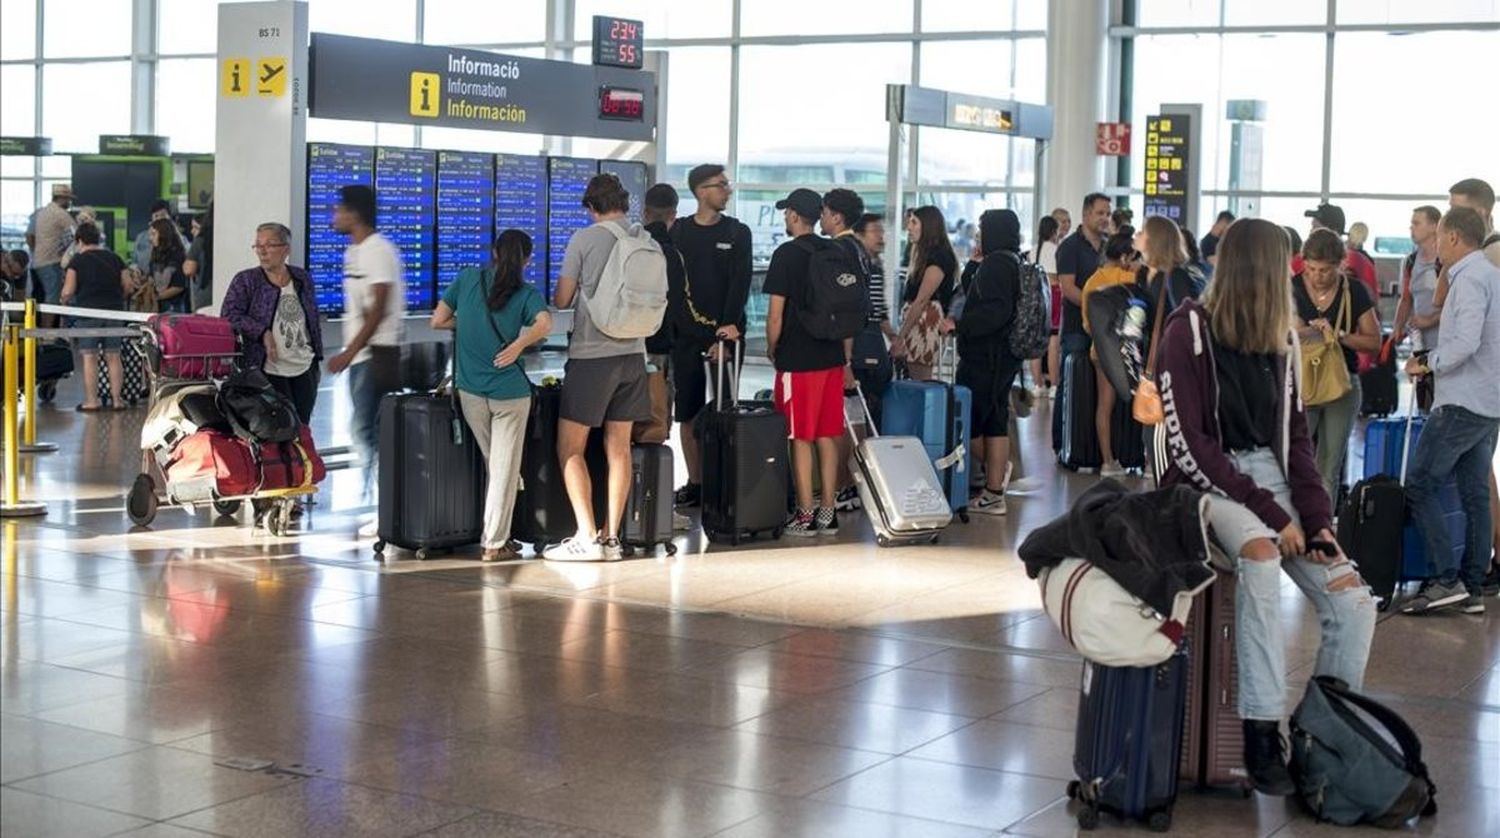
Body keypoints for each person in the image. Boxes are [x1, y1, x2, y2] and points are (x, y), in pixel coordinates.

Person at [1158, 216, 1376, 797]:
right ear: (1259, 271)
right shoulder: (1188, 330)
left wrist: (1318, 520)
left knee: (1353, 602)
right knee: (1258, 557)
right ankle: (1260, 731)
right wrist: (1276, 517)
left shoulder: (1278, 338)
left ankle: (1323, 736)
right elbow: (1191, 447)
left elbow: (1296, 442)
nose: (1293, 276)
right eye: (1284, 267)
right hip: (1206, 485)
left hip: (1271, 480)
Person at [547, 173, 660, 562]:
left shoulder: (584, 239)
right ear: (623, 203)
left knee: (570, 449)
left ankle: (585, 535)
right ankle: (612, 538)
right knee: (619, 449)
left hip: (593, 357)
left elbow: (562, 299)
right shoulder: (643, 239)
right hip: (634, 356)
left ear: (591, 206)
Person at [1397, 207, 1500, 615]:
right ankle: (1472, 587)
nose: (1435, 244)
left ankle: (1445, 580)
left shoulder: (1471, 280)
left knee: (1419, 484)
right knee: (1475, 492)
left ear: (1454, 238)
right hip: (1488, 401)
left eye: (1439, 236)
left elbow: (1466, 342)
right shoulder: (1491, 275)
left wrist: (1427, 362)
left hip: (1461, 401)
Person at [431, 230, 552, 563]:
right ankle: (494, 542)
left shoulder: (468, 279)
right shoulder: (526, 293)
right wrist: (517, 346)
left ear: (495, 253)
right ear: (528, 259)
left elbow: (437, 321)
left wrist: (468, 322)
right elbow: (545, 324)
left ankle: (501, 534)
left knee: (494, 464)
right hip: (510, 394)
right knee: (503, 469)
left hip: (470, 391)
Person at [766, 188, 850, 537]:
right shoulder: (835, 250)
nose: (785, 218)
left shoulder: (786, 254)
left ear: (796, 216)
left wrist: (773, 349)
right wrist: (846, 357)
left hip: (798, 359)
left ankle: (804, 513)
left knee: (799, 436)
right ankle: (828, 512)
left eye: (787, 213)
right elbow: (847, 309)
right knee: (827, 434)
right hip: (831, 356)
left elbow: (775, 315)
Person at [668, 164, 753, 510]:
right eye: (720, 185)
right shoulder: (680, 232)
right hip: (687, 336)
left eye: (727, 184)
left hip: (727, 335)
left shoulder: (737, 231)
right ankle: (697, 482)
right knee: (686, 414)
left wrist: (726, 334)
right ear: (701, 191)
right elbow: (673, 288)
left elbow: (740, 282)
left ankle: (726, 482)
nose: (727, 190)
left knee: (725, 410)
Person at [326, 184, 406, 509]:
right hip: (362, 354)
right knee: (365, 427)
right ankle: (376, 496)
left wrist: (350, 350)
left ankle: (381, 499)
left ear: (354, 213)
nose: (335, 215)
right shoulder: (354, 252)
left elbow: (380, 306)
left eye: (339, 209)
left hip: (377, 354)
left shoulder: (377, 250)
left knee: (365, 428)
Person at [943, 209, 1024, 516]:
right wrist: (973, 266)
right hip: (1004, 356)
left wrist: (959, 326)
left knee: (971, 420)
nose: (978, 234)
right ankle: (993, 491)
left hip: (985, 356)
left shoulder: (996, 265)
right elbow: (972, 290)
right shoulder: (1011, 261)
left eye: (982, 229)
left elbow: (993, 312)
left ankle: (996, 475)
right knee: (995, 420)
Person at [1293, 229, 1381, 501]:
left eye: (1325, 271)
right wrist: (1309, 331)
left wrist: (1340, 335)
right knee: (1297, 460)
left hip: (1342, 383)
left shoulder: (1353, 291)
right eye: (1311, 269)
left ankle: (1322, 531)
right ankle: (1298, 526)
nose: (1317, 277)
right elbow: (1282, 335)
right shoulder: (1293, 287)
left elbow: (1374, 342)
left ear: (1340, 265)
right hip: (1303, 382)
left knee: (1329, 464)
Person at [1445, 178, 1500, 597]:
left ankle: (1469, 572)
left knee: (1475, 482)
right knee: (1481, 481)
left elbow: (1470, 332)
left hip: (1477, 384)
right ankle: (1484, 566)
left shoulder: (1488, 258)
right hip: (1484, 384)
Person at [221, 223, 324, 425]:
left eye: (269, 245)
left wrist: (317, 358)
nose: (262, 250)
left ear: (286, 249)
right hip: (266, 369)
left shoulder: (302, 278)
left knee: (302, 427)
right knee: (277, 428)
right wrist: (263, 332)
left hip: (304, 366)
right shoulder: (247, 280)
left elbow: (312, 320)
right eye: (258, 245)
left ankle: (300, 458)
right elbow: (229, 314)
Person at [820, 189, 879, 514]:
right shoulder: (859, 249)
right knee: (854, 415)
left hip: (848, 347)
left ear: (837, 216)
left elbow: (845, 309)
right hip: (864, 342)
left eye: (825, 212)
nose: (822, 218)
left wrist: (844, 360)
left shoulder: (838, 250)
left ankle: (845, 485)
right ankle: (853, 483)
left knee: (844, 419)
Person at [640, 183, 694, 533]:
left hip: (626, 349)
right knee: (658, 427)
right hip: (660, 352)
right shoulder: (672, 255)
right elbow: (680, 308)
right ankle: (658, 509)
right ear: (674, 215)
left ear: (645, 213)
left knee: (624, 429)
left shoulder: (627, 247)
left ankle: (624, 507)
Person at [1080, 228, 1139, 477]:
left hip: (1101, 352)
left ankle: (1108, 462)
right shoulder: (1131, 281)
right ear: (1125, 257)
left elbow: (1086, 324)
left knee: (1104, 406)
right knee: (1141, 403)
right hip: (1130, 352)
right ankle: (1144, 462)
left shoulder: (1093, 281)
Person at [58, 222, 129, 411]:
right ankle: (117, 400)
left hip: (87, 312)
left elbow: (68, 291)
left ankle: (92, 401)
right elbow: (128, 285)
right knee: (114, 356)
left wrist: (63, 301)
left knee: (90, 357)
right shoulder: (115, 258)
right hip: (114, 311)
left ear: (79, 241)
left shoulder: (77, 261)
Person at [898, 205, 960, 381]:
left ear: (928, 226)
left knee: (920, 379)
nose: (909, 227)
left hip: (926, 321)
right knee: (917, 378)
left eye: (914, 222)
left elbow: (922, 299)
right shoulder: (925, 255)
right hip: (920, 320)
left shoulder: (937, 257)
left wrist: (901, 336)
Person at [1057, 193, 1112, 358]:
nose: (1105, 218)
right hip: (1077, 329)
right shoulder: (1070, 246)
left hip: (1107, 329)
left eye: (1108, 214)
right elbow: (1068, 288)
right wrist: (1096, 308)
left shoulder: (1110, 247)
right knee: (1076, 379)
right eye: (1100, 213)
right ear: (1086, 214)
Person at [1303, 203, 1378, 305]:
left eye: (1315, 227)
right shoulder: (1362, 260)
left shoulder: (1356, 261)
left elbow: (1371, 302)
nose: (1311, 231)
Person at [1392, 206, 1443, 355]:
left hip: (1447, 344)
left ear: (1434, 226)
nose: (1411, 228)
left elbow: (1459, 302)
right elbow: (1406, 299)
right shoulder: (1410, 261)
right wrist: (1398, 327)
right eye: (1411, 224)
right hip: (1420, 344)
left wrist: (1431, 320)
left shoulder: (1446, 262)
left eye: (1416, 223)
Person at [26, 183, 73, 326]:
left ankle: (35, 334)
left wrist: (37, 252)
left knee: (38, 298)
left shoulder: (40, 212)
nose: (69, 203)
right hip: (51, 263)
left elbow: (29, 236)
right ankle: (48, 336)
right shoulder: (61, 214)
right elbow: (77, 235)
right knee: (52, 300)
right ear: (63, 199)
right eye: (68, 199)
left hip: (36, 262)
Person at [1030, 214, 1063, 398]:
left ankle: (1037, 384)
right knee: (1053, 344)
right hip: (1055, 295)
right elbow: (1059, 278)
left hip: (1036, 296)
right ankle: (1054, 385)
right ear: (1053, 231)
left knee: (1036, 343)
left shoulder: (1033, 250)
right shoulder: (1056, 250)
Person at [145, 217, 189, 313]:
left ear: (163, 234)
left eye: (153, 234)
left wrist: (157, 297)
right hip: (157, 306)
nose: (150, 238)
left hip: (174, 306)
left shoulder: (177, 256)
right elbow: (151, 276)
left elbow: (179, 286)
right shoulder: (155, 253)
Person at [132, 199, 182, 273]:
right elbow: (134, 261)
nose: (159, 219)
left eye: (162, 215)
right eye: (156, 216)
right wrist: (135, 270)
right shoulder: (141, 238)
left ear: (169, 218)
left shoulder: (179, 239)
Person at [184, 204, 214, 311]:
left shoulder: (201, 239)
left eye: (196, 227)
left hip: (204, 296)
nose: (192, 231)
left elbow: (189, 269)